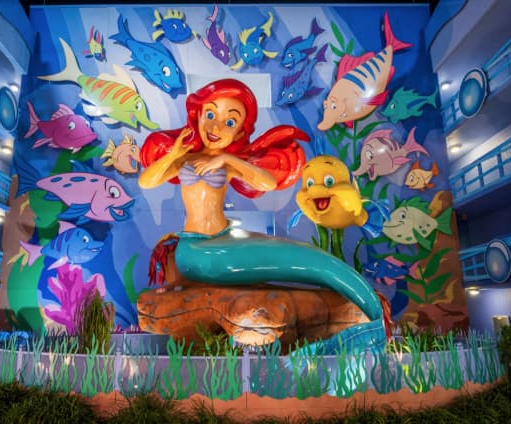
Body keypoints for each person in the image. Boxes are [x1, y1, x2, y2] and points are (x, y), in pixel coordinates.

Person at [139, 79, 388, 352]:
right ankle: (368, 312)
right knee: (295, 258)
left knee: (301, 258)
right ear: (197, 115)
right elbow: (146, 181)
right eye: (210, 115)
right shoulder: (185, 160)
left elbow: (267, 182)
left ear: (239, 132)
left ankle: (370, 312)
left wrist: (227, 160)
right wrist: (174, 154)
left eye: (230, 122)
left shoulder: (227, 165)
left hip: (221, 239)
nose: (216, 127)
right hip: (196, 250)